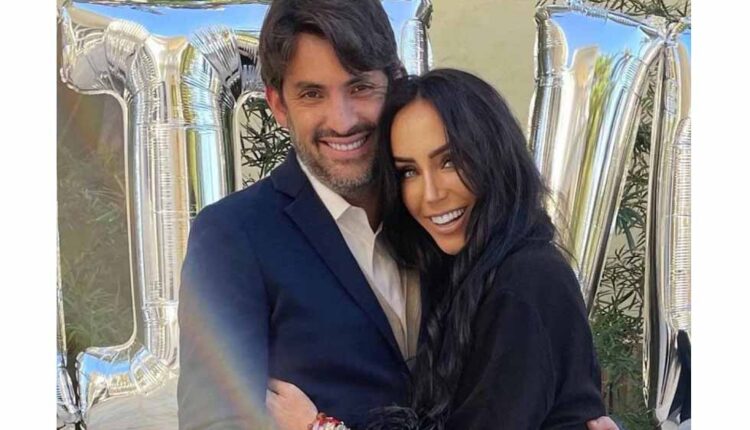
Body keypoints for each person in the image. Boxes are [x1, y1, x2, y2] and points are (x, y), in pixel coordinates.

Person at [178, 1, 617, 429]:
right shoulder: (234, 236)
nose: (342, 121)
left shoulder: (448, 225)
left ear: (392, 81)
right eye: (312, 94)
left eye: (359, 87)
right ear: (278, 105)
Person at [266, 69, 609, 430]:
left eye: (449, 162)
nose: (430, 195)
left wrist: (317, 426)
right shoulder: (465, 275)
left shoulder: (526, 281)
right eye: (409, 172)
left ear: (494, 155)